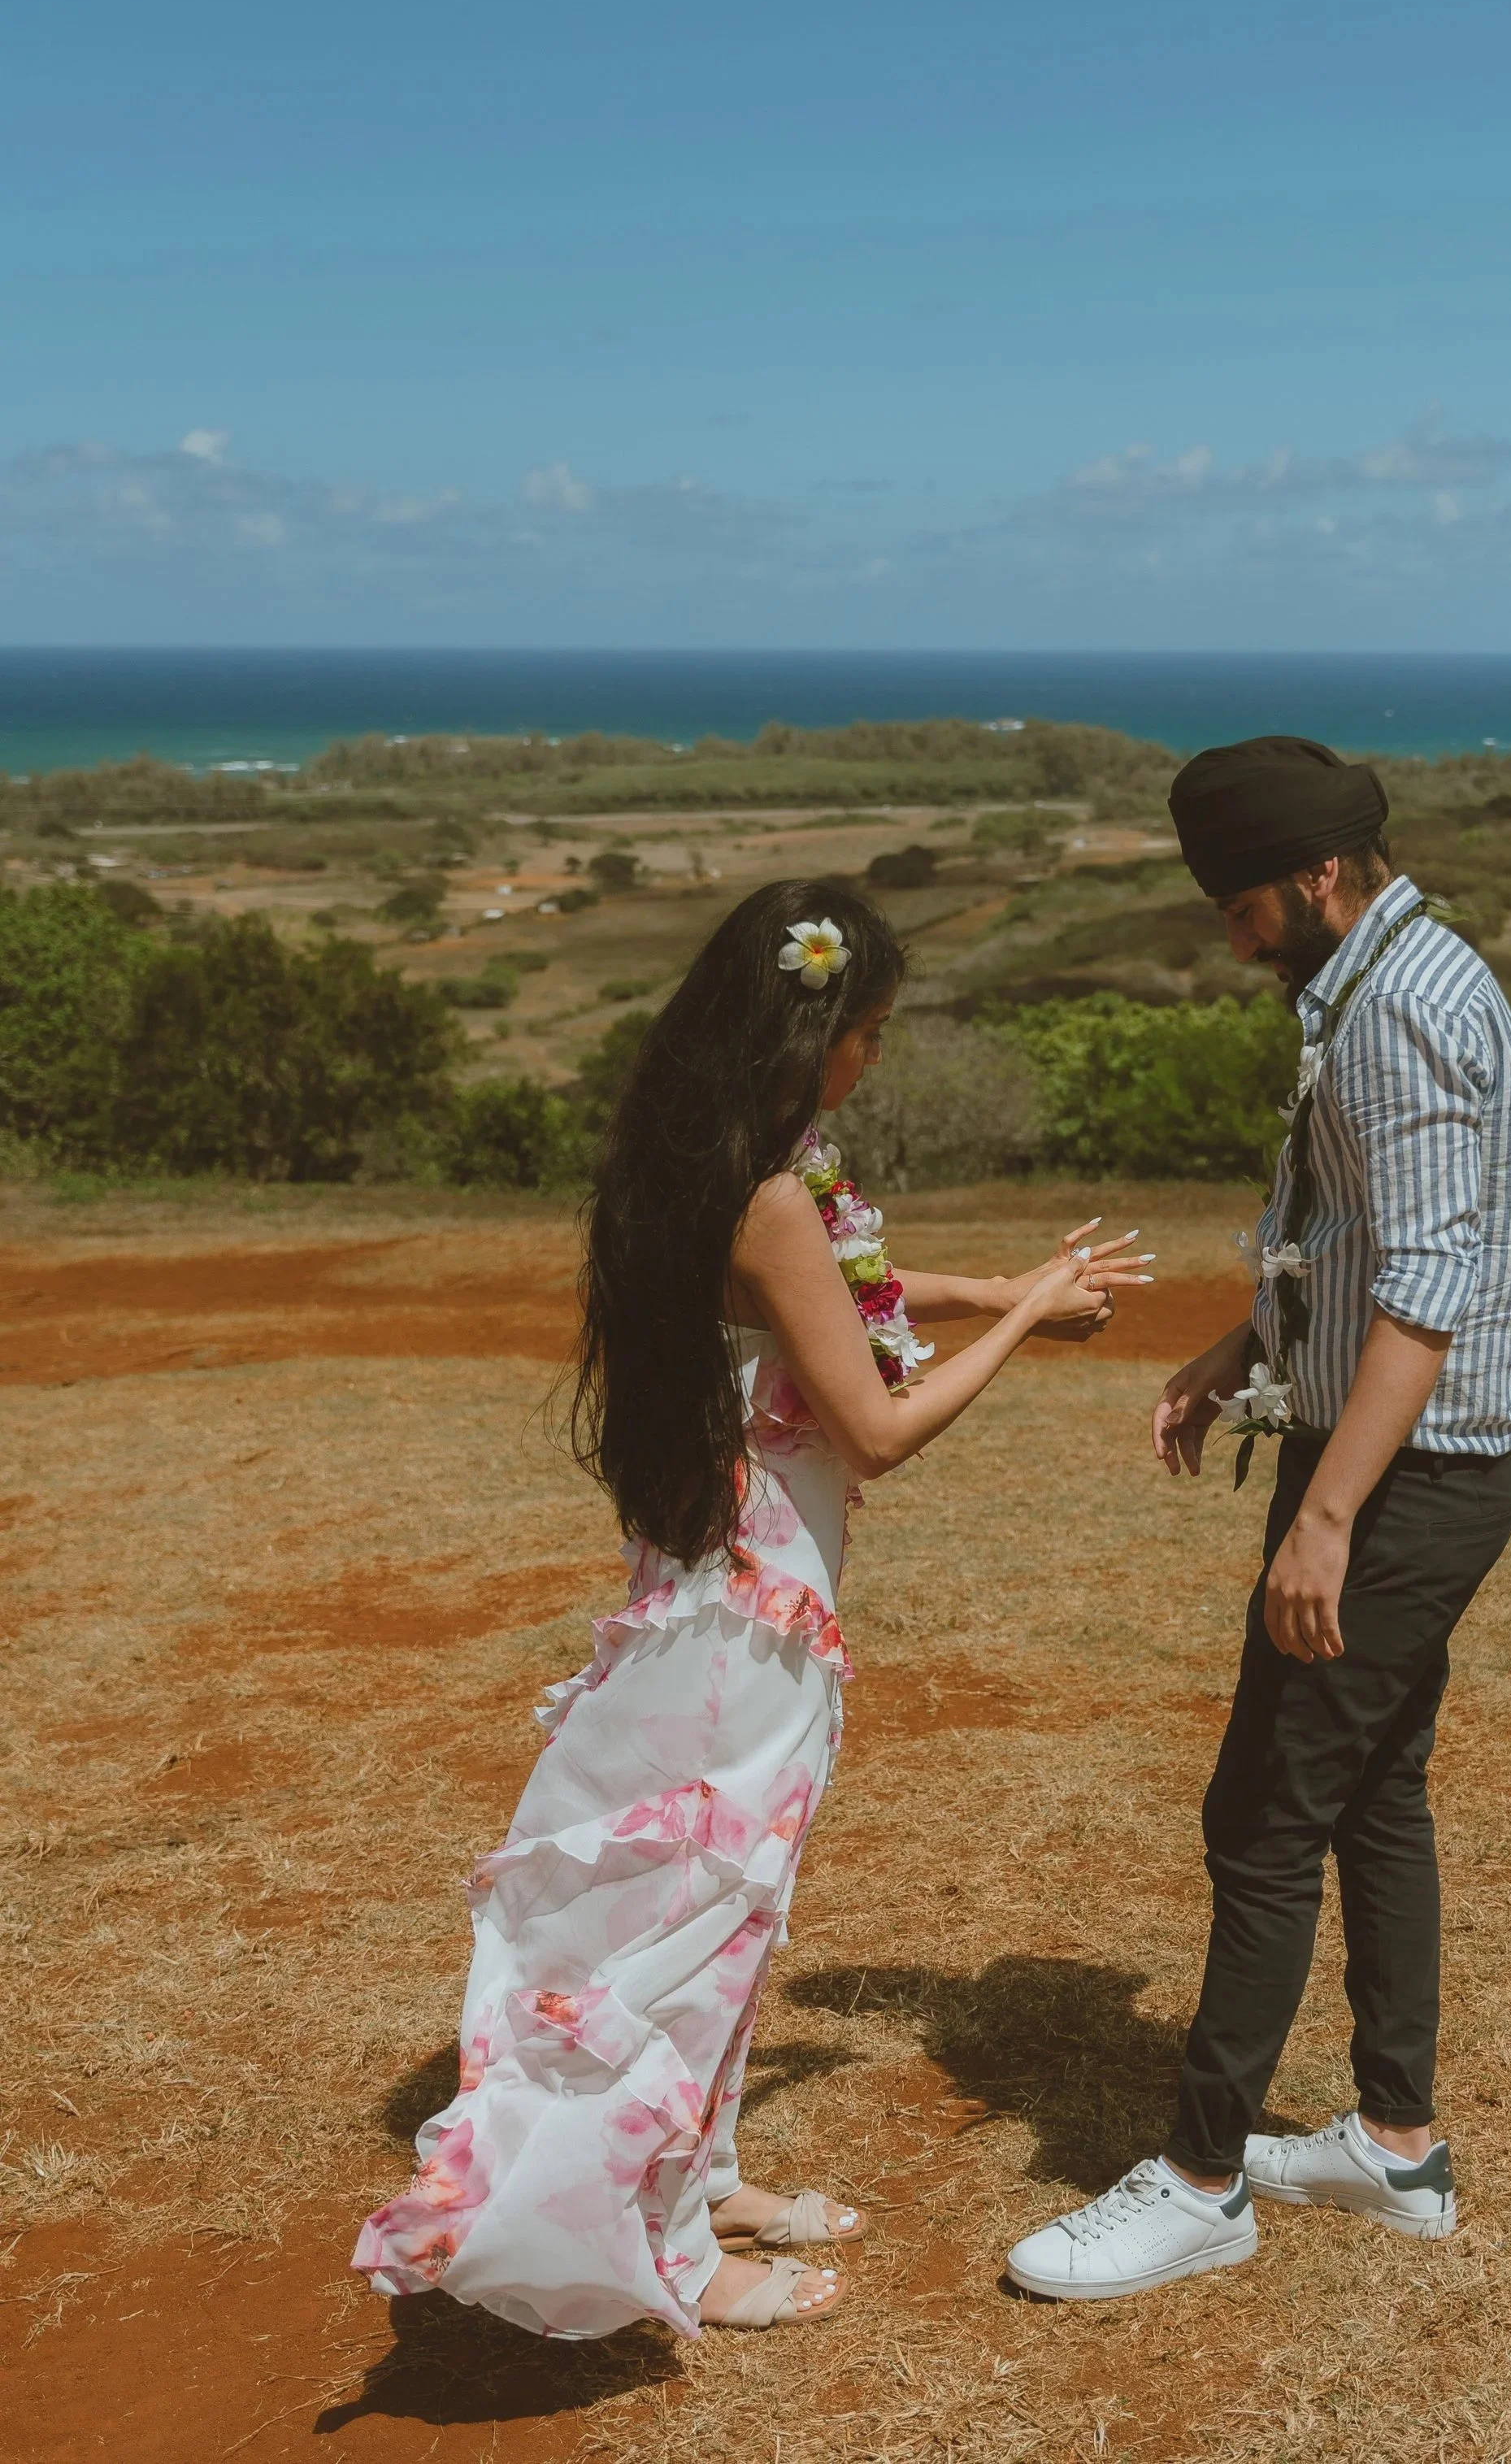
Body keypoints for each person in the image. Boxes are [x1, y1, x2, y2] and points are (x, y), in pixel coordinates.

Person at [355, 876, 1150, 2336]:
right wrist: (1034, 1318)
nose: (874, 1058)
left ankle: (704, 2175)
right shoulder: (772, 1195)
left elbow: (830, 1293)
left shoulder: (702, 1158)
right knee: (712, 1909)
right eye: (869, 1032)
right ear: (813, 1028)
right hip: (753, 1619)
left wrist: (990, 1286)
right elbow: (878, 1431)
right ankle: (671, 2241)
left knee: (727, 1898)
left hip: (712, 1590)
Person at [1005, 735, 1511, 2301]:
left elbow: (1427, 1288)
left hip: (1404, 1477)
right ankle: (1395, 2147)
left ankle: (1199, 2184)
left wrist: (1330, 1514)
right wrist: (1243, 1354)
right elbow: (1357, 1244)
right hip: (1388, 1454)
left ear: (1318, 875)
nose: (1234, 940)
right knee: (1373, 1791)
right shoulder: (1371, 983)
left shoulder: (1403, 1012)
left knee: (1264, 1816)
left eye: (1243, 908)